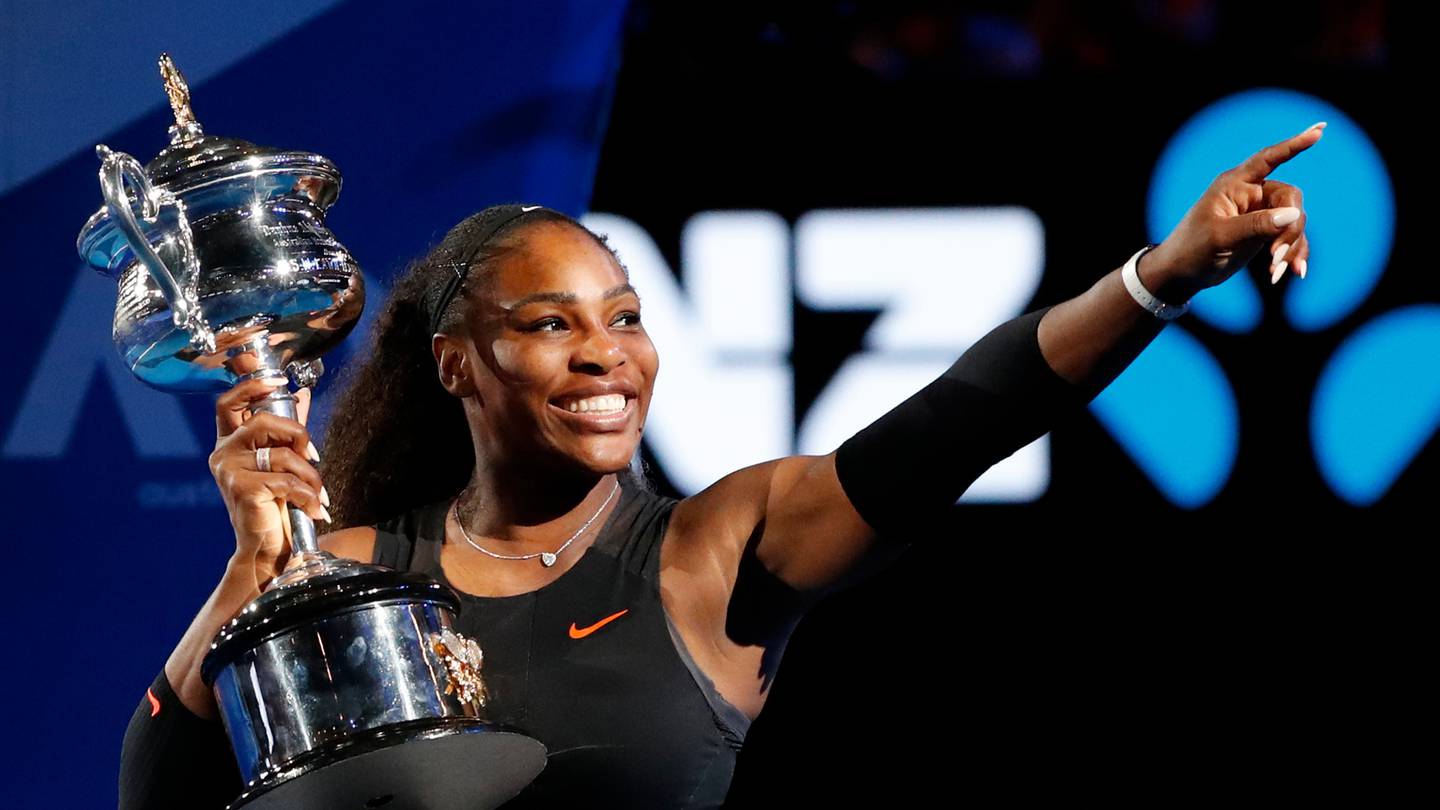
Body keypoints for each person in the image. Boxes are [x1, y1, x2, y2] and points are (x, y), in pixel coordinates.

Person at [118, 122, 1322, 808]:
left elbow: (958, 422)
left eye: (627, 317)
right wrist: (249, 582)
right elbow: (163, 800)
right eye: (550, 326)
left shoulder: (715, 552)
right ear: (455, 365)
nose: (607, 357)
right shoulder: (358, 574)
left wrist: (1156, 277)